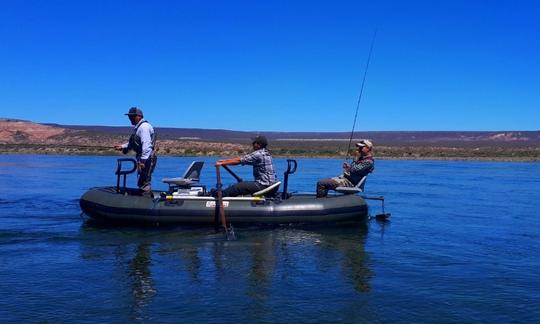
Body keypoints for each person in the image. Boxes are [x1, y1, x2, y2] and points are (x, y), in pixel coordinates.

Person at [114, 107, 157, 196]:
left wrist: (143, 161)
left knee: (145, 180)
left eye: (132, 117)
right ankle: (144, 196)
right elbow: (134, 143)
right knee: (142, 179)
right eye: (129, 117)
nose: (130, 119)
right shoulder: (139, 127)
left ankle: (146, 200)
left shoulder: (144, 127)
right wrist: (122, 146)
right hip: (144, 157)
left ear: (139, 116)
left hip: (147, 158)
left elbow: (146, 145)